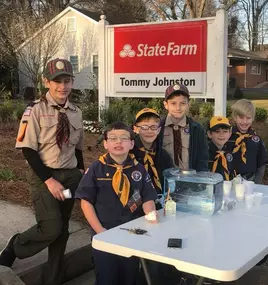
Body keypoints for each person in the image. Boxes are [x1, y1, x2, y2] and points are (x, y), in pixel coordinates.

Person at [0, 58, 84, 285]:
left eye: (67, 80)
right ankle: (17, 244)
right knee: (51, 227)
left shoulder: (76, 112)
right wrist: (49, 180)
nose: (62, 86)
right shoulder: (34, 110)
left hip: (70, 177)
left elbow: (77, 148)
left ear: (72, 82)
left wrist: (81, 172)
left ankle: (53, 278)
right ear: (46, 82)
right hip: (43, 177)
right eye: (57, 81)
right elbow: (27, 149)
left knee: (63, 229)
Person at [75, 121, 157, 285]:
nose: (118, 142)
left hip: (132, 233)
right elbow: (86, 202)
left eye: (124, 138)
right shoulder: (96, 169)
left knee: (130, 276)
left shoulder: (139, 169)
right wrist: (100, 230)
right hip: (104, 232)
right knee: (107, 276)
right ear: (105, 143)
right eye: (113, 138)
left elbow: (148, 198)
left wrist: (152, 223)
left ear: (132, 143)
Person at [158, 83, 208, 171]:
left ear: (188, 104)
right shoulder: (158, 128)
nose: (178, 108)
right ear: (166, 104)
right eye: (173, 103)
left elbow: (202, 160)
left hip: (190, 180)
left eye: (183, 103)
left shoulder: (197, 129)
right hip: (164, 181)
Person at [132, 108, 173, 201]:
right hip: (133, 205)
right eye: (144, 127)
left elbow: (170, 180)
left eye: (153, 127)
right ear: (135, 129)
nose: (149, 131)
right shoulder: (129, 154)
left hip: (160, 202)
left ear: (159, 130)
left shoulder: (163, 155)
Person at [229, 99, 268, 184]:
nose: (245, 122)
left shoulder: (256, 140)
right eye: (241, 117)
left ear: (252, 118)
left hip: (250, 181)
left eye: (248, 118)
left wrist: (256, 184)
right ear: (235, 117)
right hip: (229, 181)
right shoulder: (227, 137)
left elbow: (261, 164)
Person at [207, 116, 236, 180]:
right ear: (209, 134)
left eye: (225, 131)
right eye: (217, 131)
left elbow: (231, 173)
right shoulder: (204, 153)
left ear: (230, 134)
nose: (221, 134)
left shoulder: (229, 153)